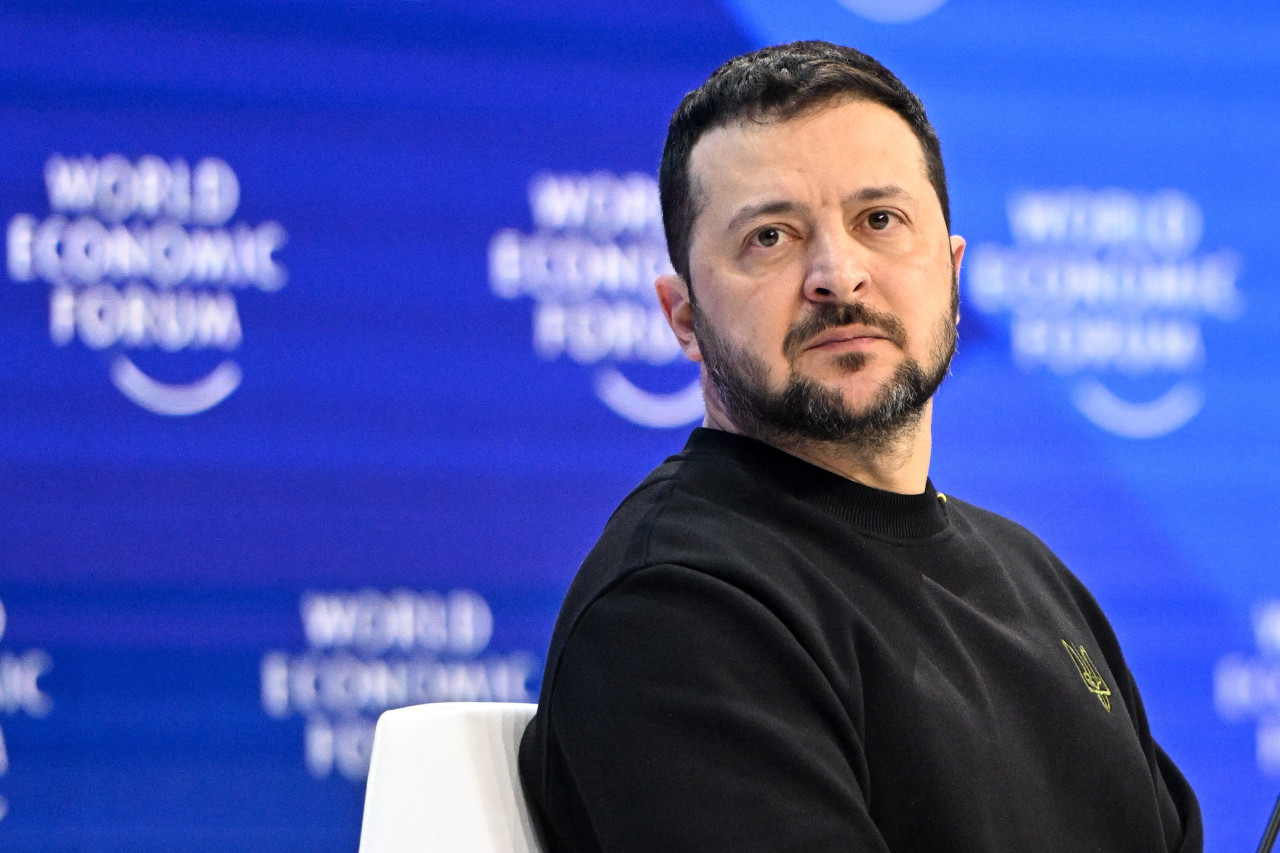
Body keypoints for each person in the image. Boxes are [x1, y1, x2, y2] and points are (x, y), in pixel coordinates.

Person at [518, 41, 1202, 853]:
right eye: (770, 237)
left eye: (880, 220)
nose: (838, 275)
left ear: (952, 277)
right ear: (684, 316)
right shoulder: (674, 608)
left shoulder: (1034, 577)